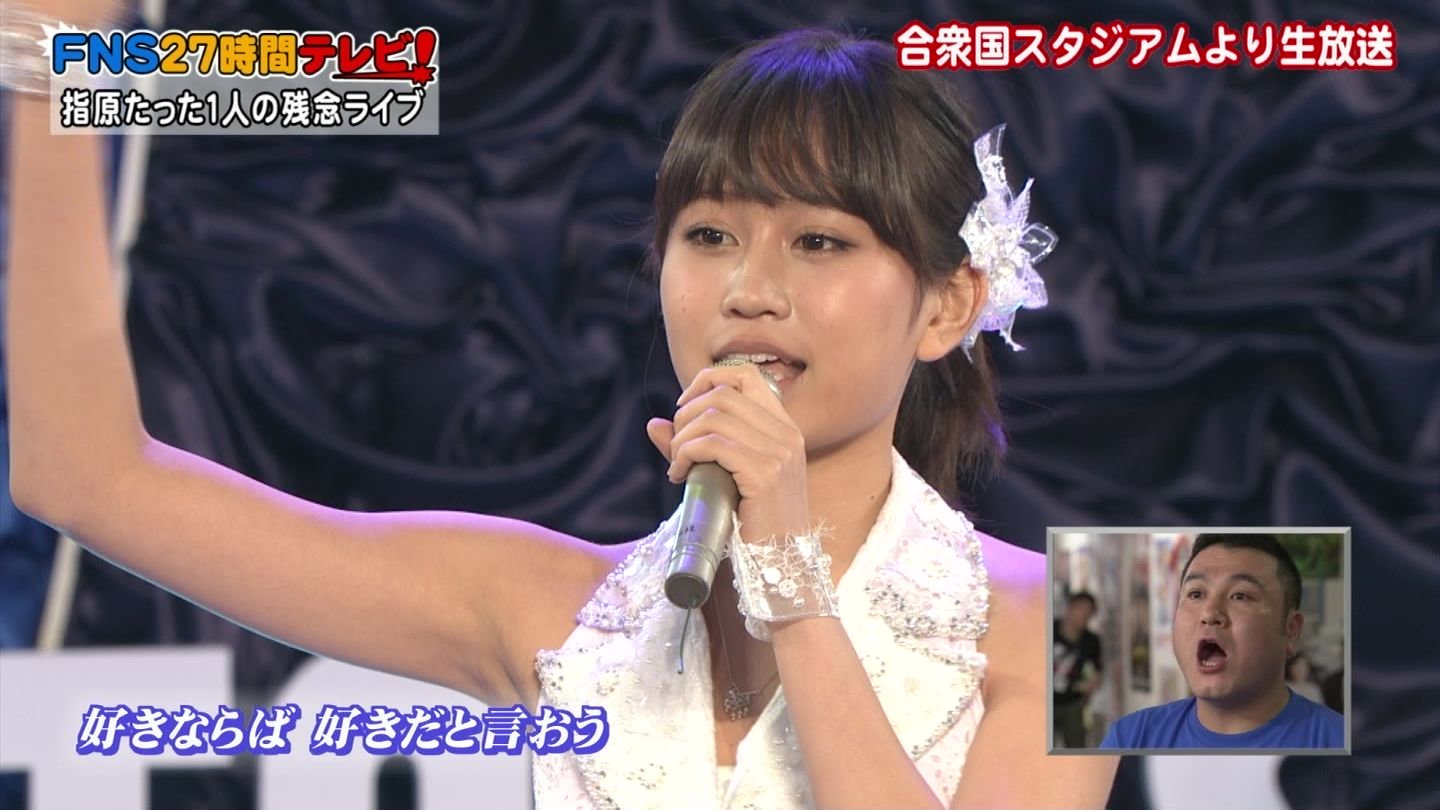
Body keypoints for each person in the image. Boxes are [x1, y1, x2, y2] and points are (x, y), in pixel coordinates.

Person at [5, 5, 1117, 806]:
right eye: (709, 235)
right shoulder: (549, 609)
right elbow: (85, 479)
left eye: (819, 242)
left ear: (946, 305)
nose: (749, 289)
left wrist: (789, 570)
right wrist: (55, 71)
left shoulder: (1095, 619)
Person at [1100, 534, 1343, 749]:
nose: (1209, 613)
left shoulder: (1337, 740)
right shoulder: (1130, 738)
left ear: (1291, 630)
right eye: (1196, 594)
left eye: (1240, 595)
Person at [1053, 591, 1103, 748]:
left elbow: (1097, 670)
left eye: (1089, 611)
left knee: (1076, 747)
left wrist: (1091, 684)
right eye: (1081, 609)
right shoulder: (1050, 630)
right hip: (1044, 700)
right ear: (1070, 608)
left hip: (1072, 701)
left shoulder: (1091, 641)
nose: (1085, 615)